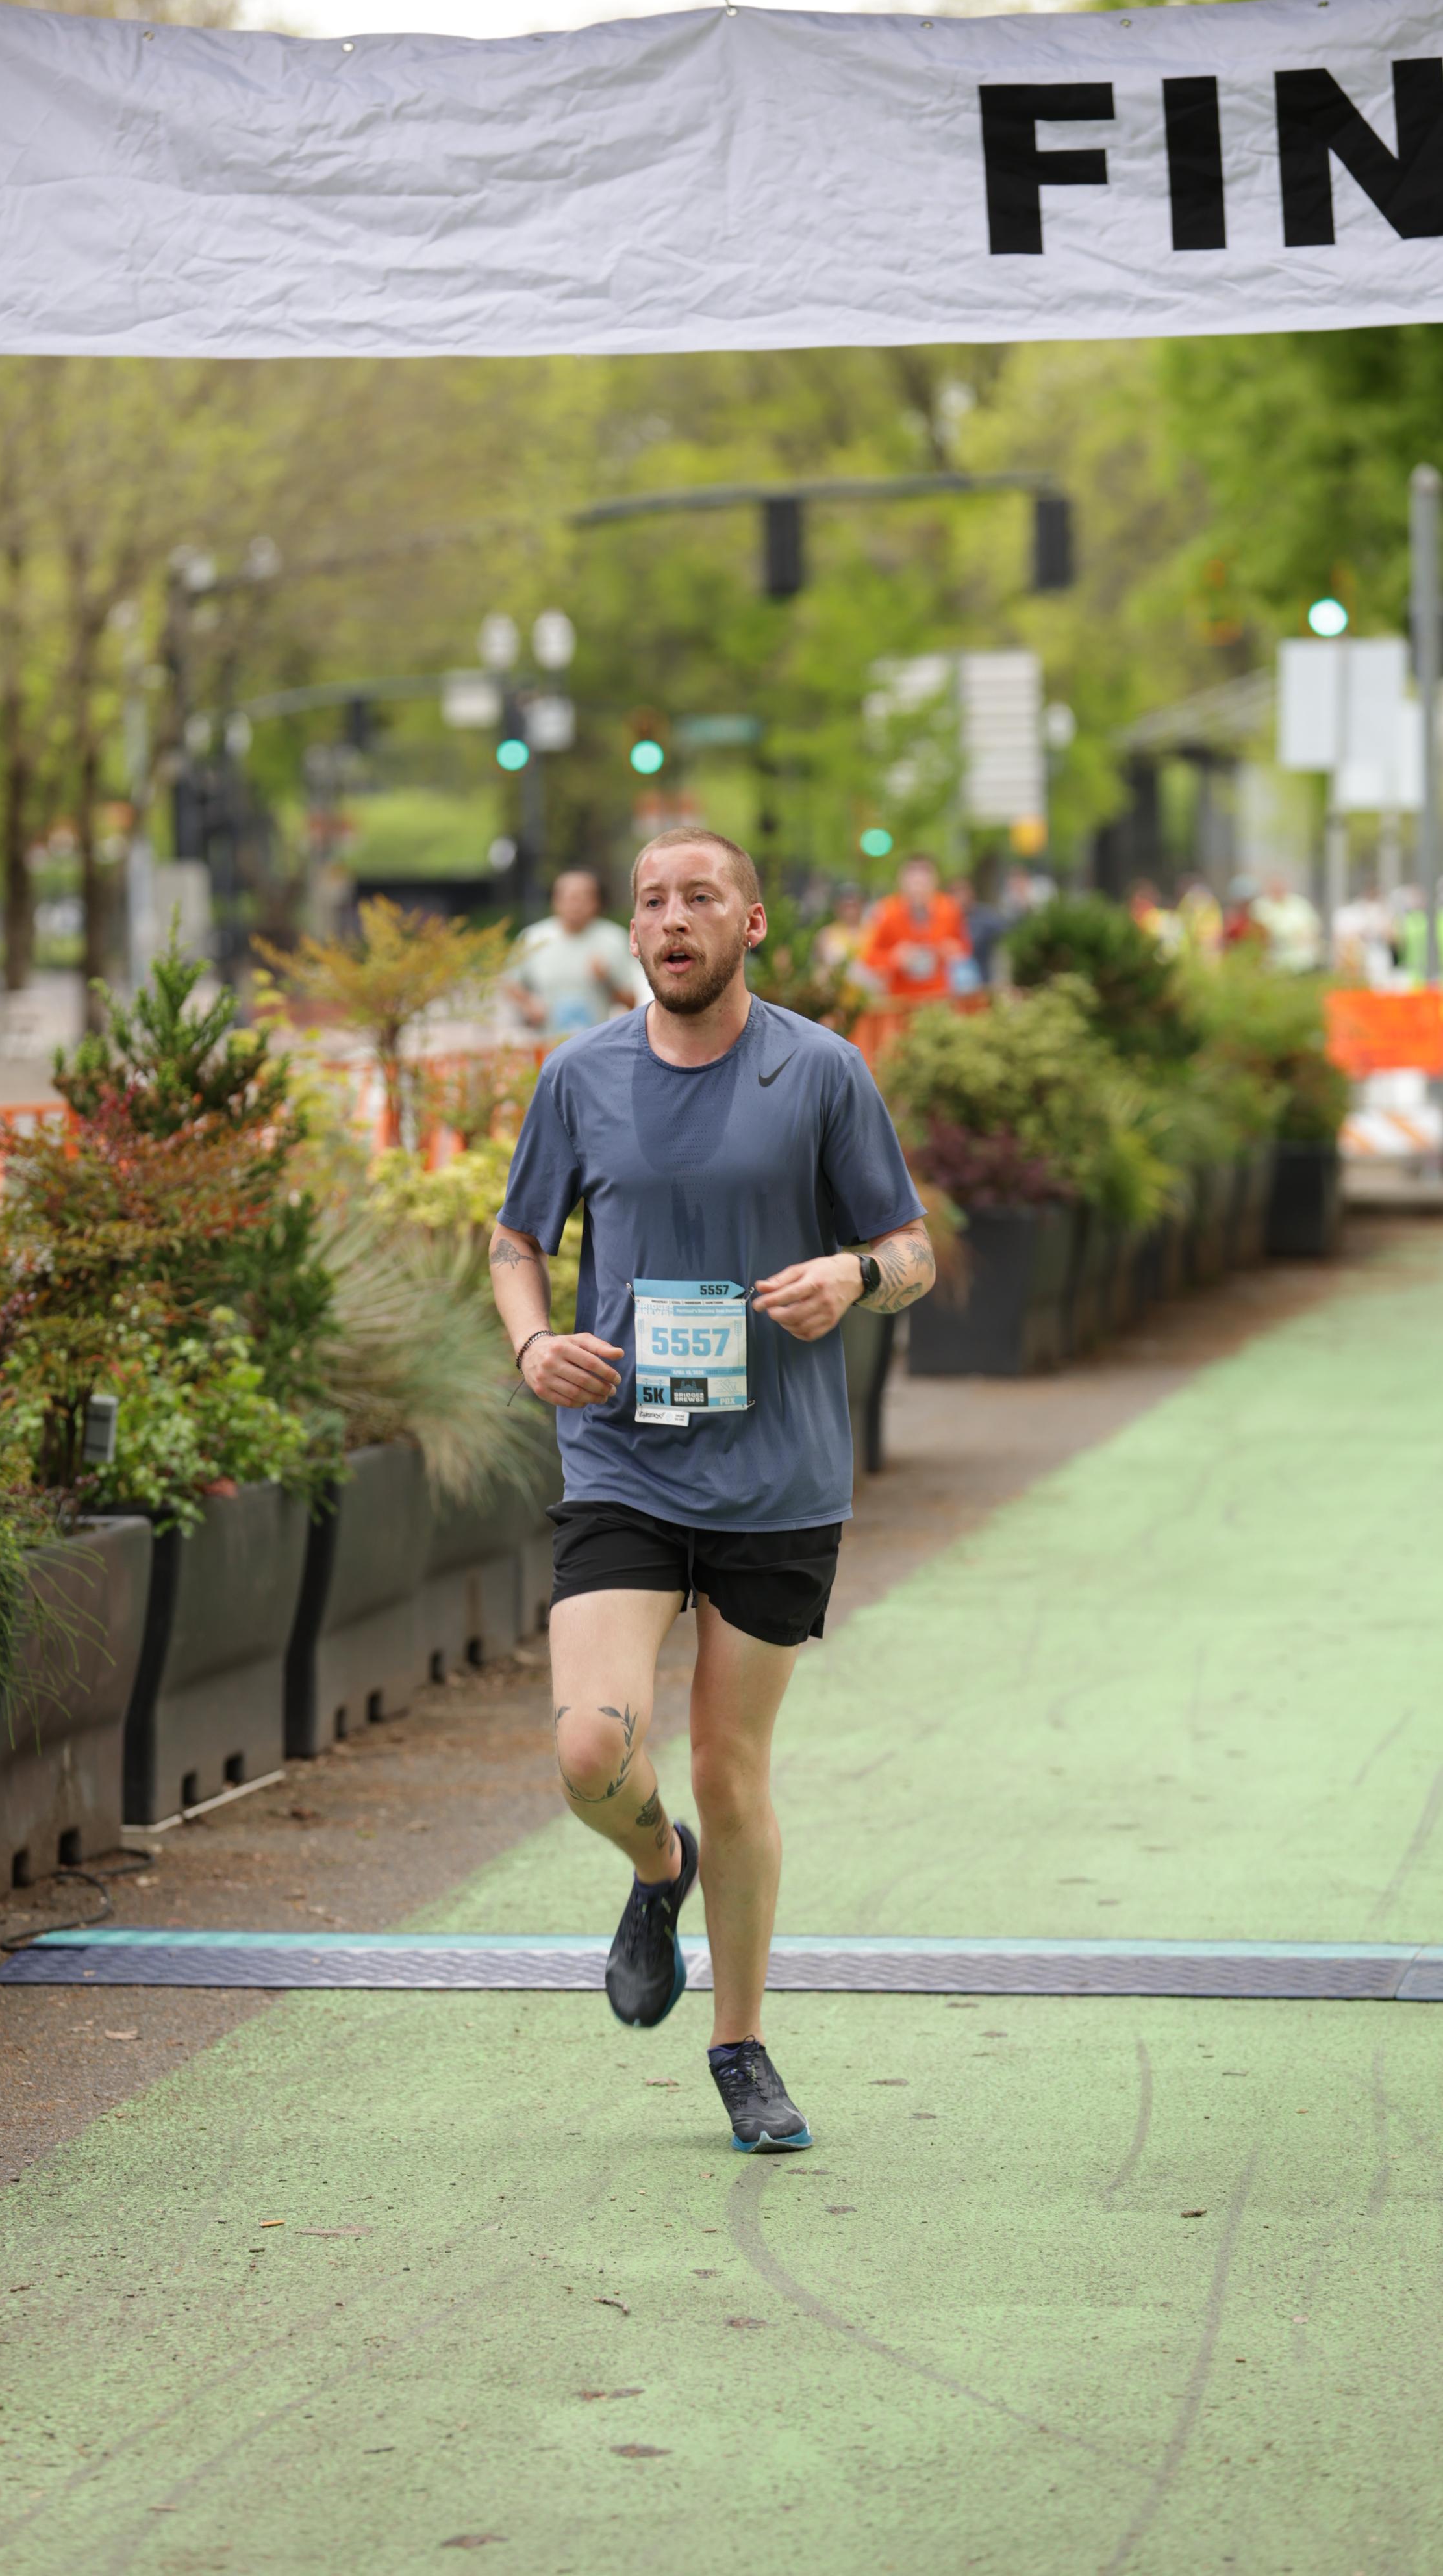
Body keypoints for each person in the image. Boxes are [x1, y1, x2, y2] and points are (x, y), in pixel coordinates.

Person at [488, 825, 934, 2154]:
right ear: (629, 932)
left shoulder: (820, 1070)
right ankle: (656, 1864)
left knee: (731, 1772)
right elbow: (515, 1242)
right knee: (590, 1748)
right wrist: (533, 1342)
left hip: (776, 1474)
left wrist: (853, 1275)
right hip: (622, 1455)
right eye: (650, 901)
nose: (671, 918)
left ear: (750, 924)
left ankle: (739, 2045)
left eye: (699, 897)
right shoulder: (579, 1076)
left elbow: (909, 1247)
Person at [503, 870, 647, 1036]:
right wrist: (528, 1004)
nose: (576, 905)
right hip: (546, 1041)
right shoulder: (533, 938)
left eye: (583, 898)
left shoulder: (613, 939)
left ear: (597, 903)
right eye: (569, 897)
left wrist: (607, 979)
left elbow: (631, 1002)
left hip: (596, 1040)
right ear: (555, 901)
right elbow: (509, 983)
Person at [853, 855, 968, 1001]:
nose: (918, 888)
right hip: (900, 999)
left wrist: (952, 950)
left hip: (940, 995)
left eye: (924, 881)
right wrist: (894, 958)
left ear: (935, 881)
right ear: (901, 881)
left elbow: (964, 948)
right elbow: (868, 957)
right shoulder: (885, 912)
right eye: (913, 881)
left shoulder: (950, 909)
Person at [1251, 874, 1324, 973]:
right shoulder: (1260, 905)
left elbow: (1313, 928)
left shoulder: (1299, 903)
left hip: (1302, 956)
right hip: (1272, 957)